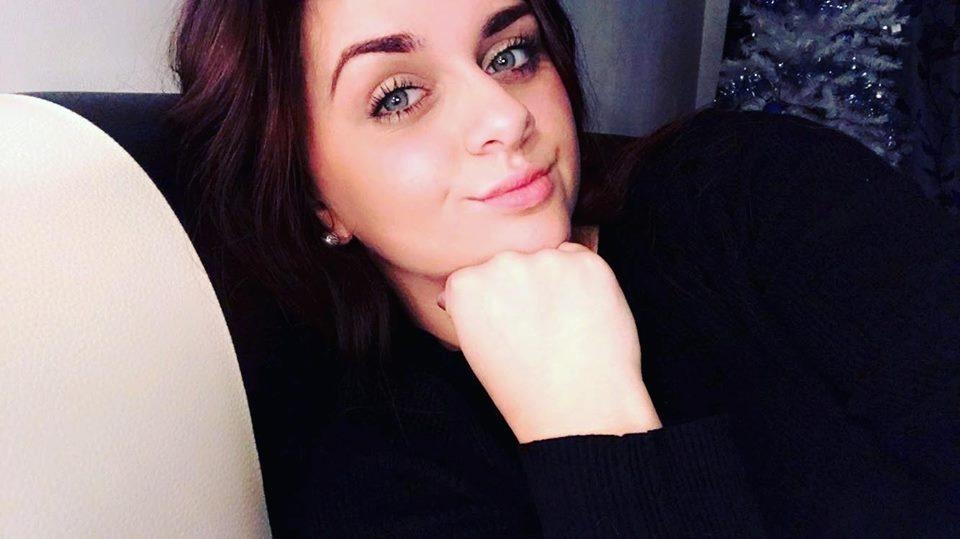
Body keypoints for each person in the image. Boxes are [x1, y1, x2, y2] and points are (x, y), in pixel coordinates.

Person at [168, 0, 960, 536]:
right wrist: (589, 420)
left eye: (511, 53)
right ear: (314, 198)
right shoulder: (373, 483)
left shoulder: (761, 192)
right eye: (399, 96)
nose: (506, 114)